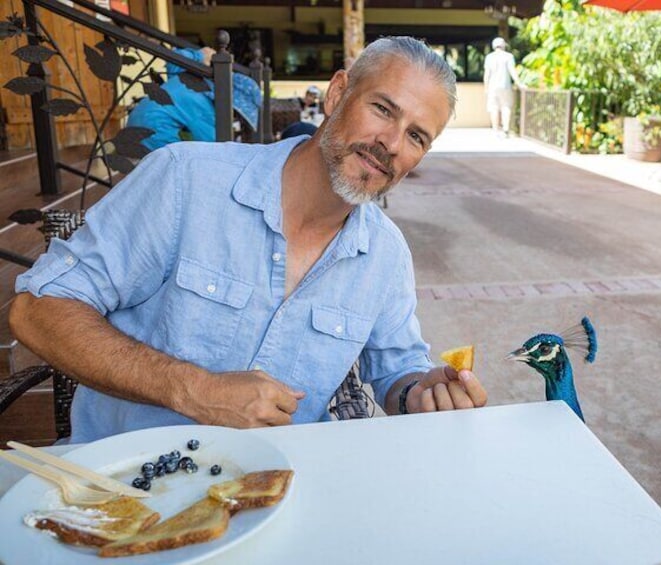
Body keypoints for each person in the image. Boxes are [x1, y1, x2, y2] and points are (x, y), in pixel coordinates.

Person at [10, 36, 488, 443]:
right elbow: (37, 309)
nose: (391, 143)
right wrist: (193, 389)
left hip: (280, 492)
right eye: (383, 109)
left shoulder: (385, 255)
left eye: (417, 137)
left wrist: (423, 394)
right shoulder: (185, 180)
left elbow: (397, 370)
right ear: (338, 93)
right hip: (128, 490)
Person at [126, 47, 262, 150]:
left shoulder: (191, 78)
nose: (234, 117)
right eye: (236, 114)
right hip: (152, 134)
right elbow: (216, 146)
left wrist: (199, 55)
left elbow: (174, 59)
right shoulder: (207, 109)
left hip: (134, 124)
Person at [483, 37, 523, 137]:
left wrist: (486, 87)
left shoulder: (489, 57)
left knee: (494, 108)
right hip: (505, 86)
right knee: (506, 107)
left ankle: (495, 131)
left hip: (492, 87)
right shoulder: (508, 56)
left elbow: (487, 74)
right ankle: (505, 129)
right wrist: (519, 83)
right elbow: (512, 71)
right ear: (504, 45)